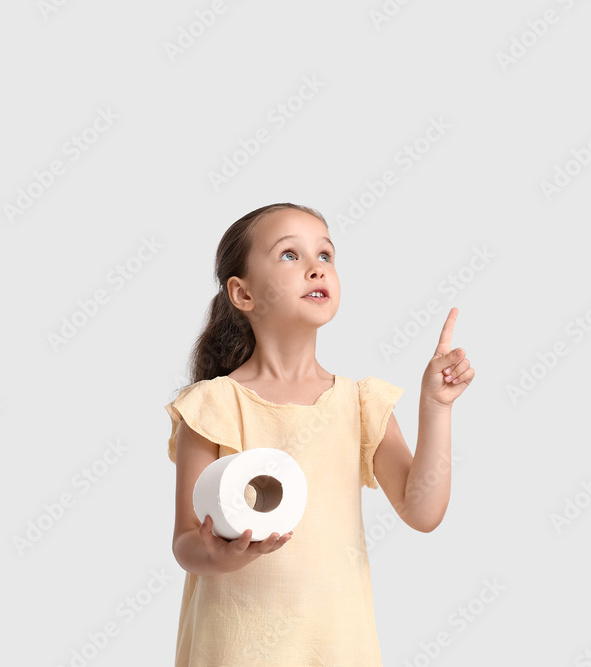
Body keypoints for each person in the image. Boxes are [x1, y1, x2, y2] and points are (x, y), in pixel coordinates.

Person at [164, 202, 474, 665]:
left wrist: (435, 407)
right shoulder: (215, 405)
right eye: (290, 255)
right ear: (242, 294)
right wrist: (220, 559)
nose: (315, 269)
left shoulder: (359, 403)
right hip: (236, 648)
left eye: (325, 255)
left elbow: (422, 510)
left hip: (337, 647)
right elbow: (186, 541)